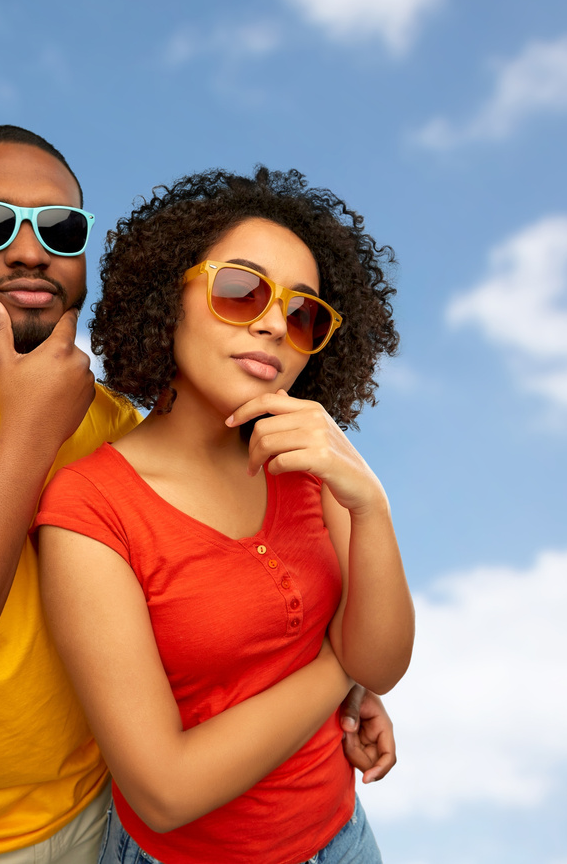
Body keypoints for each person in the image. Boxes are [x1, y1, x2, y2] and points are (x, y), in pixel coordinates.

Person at [0, 126, 396, 864]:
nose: (30, 250)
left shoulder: (119, 427)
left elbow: (200, 618)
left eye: (59, 229)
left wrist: (341, 698)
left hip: (114, 819)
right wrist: (27, 436)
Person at [34, 167, 413, 864]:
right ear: (166, 297)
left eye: (302, 314)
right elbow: (164, 791)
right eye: (241, 291)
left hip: (344, 838)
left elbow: (383, 665)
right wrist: (340, 669)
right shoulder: (88, 508)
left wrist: (371, 504)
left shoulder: (310, 459)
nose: (273, 323)